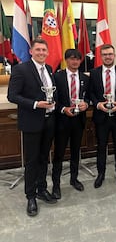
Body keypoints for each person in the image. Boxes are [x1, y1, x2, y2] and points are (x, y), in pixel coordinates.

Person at [7, 38, 57, 217]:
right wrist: (36, 104)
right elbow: (12, 96)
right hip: (31, 122)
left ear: (48, 52)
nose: (42, 53)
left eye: (44, 50)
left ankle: (42, 189)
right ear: (31, 51)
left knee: (44, 158)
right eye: (38, 50)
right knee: (32, 161)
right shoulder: (21, 69)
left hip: (49, 121)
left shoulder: (49, 69)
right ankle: (30, 196)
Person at [89, 44, 116, 188]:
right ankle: (101, 174)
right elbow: (90, 93)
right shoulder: (94, 73)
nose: (108, 57)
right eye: (105, 54)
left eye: (110, 54)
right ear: (101, 56)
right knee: (101, 146)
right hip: (101, 116)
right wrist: (98, 104)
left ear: (114, 55)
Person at [51, 49, 90, 199]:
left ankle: (74, 179)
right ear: (66, 60)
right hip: (62, 121)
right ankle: (56, 184)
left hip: (79, 121)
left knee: (75, 151)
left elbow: (88, 97)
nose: (75, 62)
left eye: (77, 59)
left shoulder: (85, 78)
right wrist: (63, 109)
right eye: (71, 59)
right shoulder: (57, 77)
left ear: (80, 61)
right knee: (59, 154)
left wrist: (86, 104)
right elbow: (53, 99)